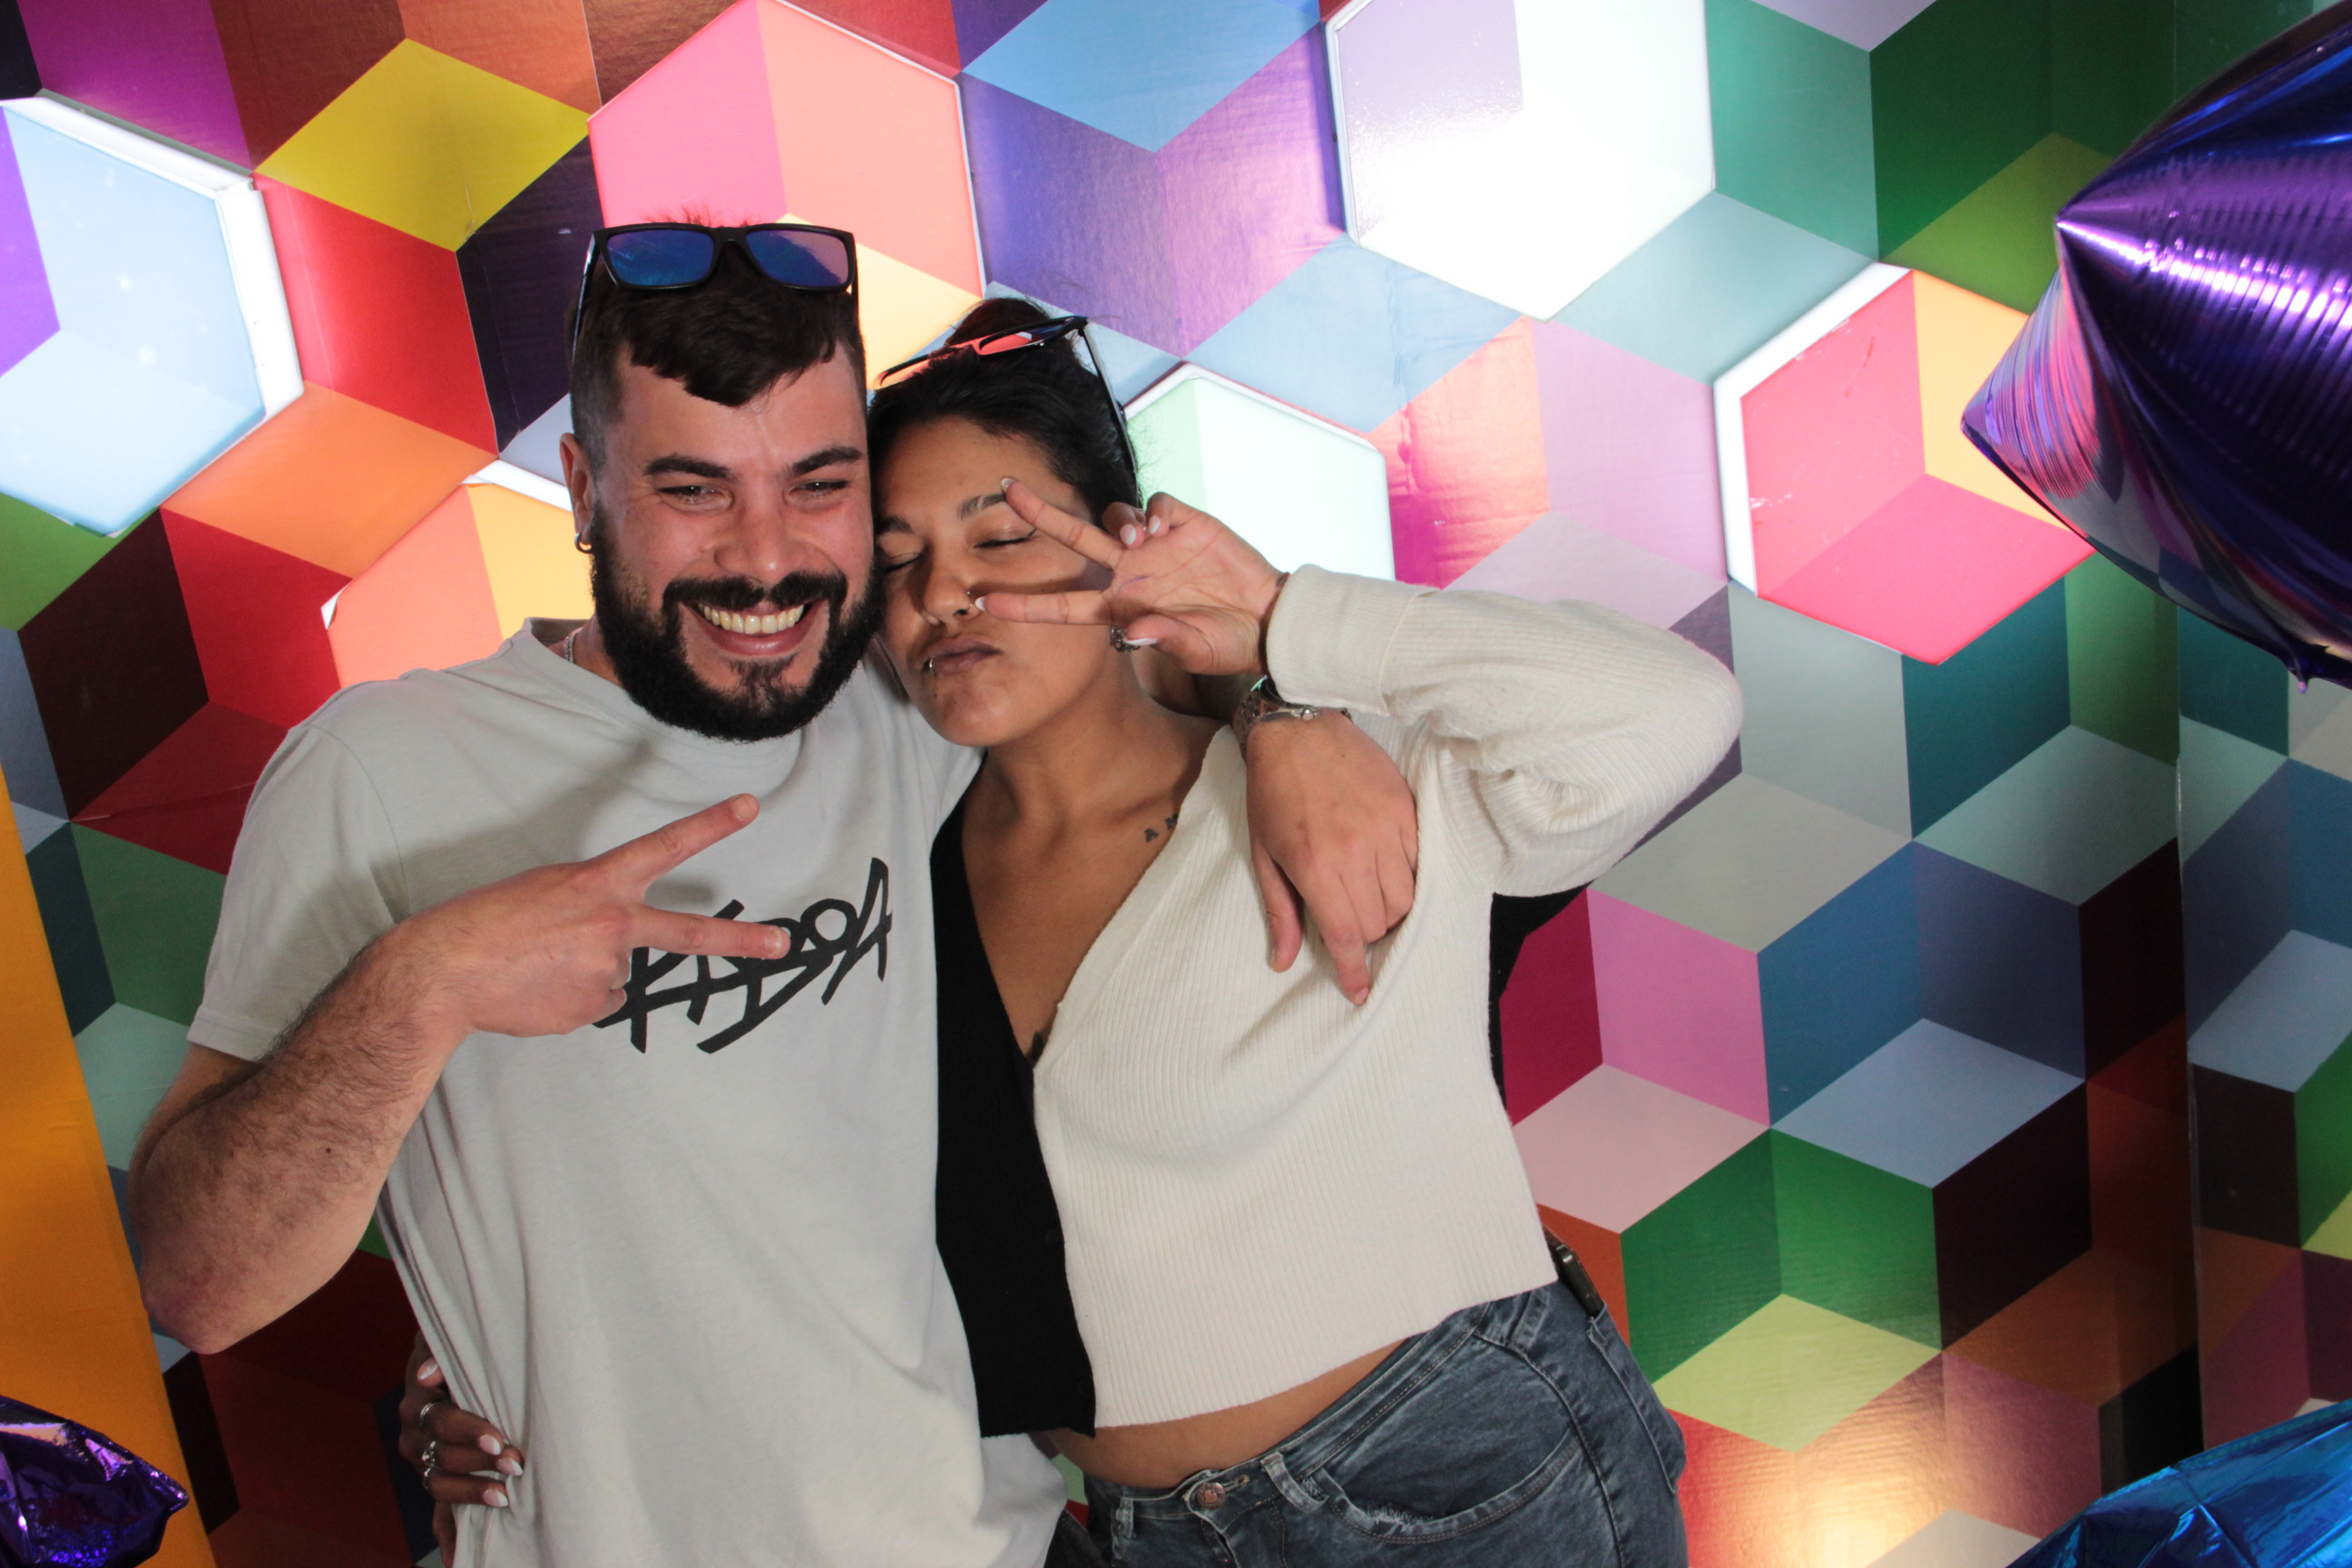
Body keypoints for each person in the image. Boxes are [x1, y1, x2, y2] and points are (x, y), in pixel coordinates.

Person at [123, 228, 1423, 1568]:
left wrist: (1284, 704)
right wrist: (423, 986)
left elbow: (1158, 648)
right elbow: (199, 1285)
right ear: (581, 487)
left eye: (818, 486)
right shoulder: (379, 771)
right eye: (693, 489)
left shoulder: (910, 689)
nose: (765, 560)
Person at [409, 299, 1740, 1565]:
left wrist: (1286, 639)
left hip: (1460, 1469)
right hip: (1145, 1535)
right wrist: (495, 1355)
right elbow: (717, 1165)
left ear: (1122, 544)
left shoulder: (1351, 783)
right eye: (899, 561)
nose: (949, 594)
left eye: (1000, 539)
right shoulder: (881, 870)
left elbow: (1674, 713)